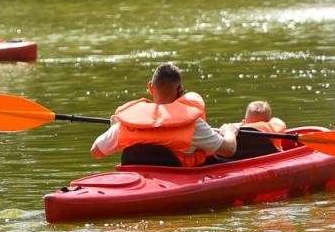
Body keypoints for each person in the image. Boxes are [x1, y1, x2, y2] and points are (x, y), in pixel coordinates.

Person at [90, 62, 237, 167]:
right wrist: (229, 132)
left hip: (139, 180)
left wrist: (115, 127)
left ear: (150, 87)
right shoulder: (193, 125)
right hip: (177, 183)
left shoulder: (126, 124)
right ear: (180, 89)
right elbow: (229, 150)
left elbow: (96, 152)